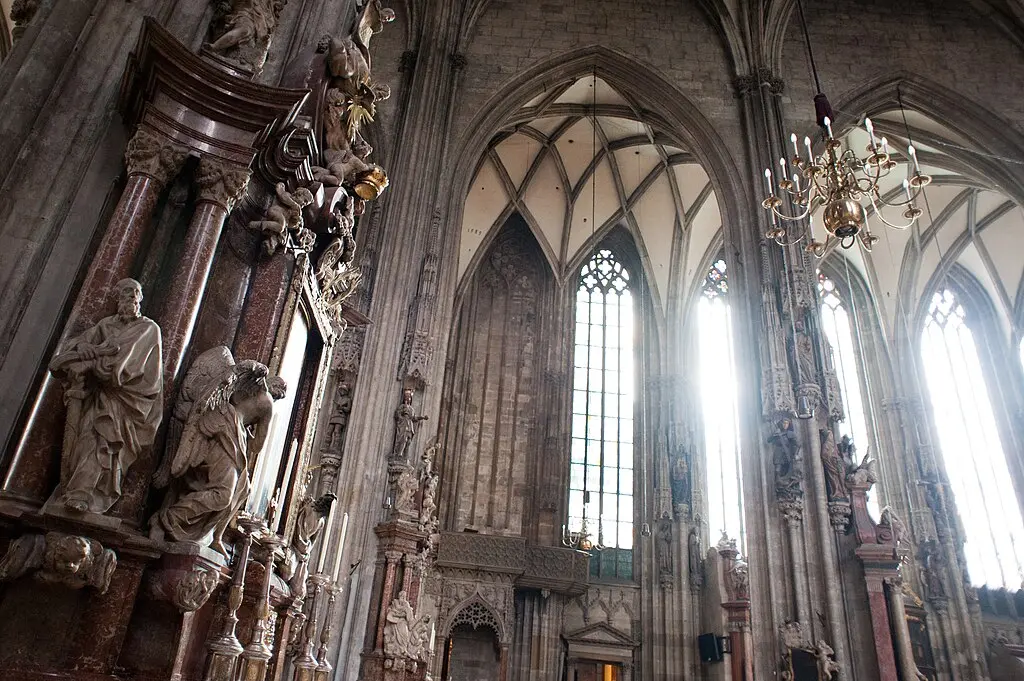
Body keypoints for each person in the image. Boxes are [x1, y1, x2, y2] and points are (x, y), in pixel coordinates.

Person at [47, 278, 163, 514]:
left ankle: (83, 494)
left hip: (127, 401)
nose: (132, 297)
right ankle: (76, 490)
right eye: (126, 292)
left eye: (136, 293)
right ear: (117, 298)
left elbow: (126, 362)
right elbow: (70, 350)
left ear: (141, 298)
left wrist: (92, 362)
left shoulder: (148, 329)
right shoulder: (105, 325)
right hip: (99, 397)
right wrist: (82, 348)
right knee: (88, 439)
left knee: (104, 443)